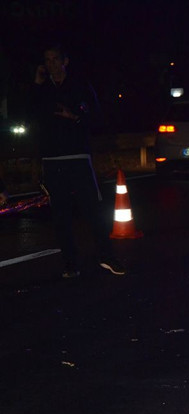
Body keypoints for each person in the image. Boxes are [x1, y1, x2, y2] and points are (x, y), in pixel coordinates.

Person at [30, 43, 125, 278]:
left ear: (65, 61)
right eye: (47, 60)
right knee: (60, 215)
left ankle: (106, 256)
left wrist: (74, 116)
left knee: (92, 209)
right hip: (52, 159)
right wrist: (36, 84)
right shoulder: (42, 89)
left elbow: (96, 117)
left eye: (55, 59)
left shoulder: (80, 85)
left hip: (78, 157)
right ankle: (70, 264)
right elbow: (31, 116)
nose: (51, 64)